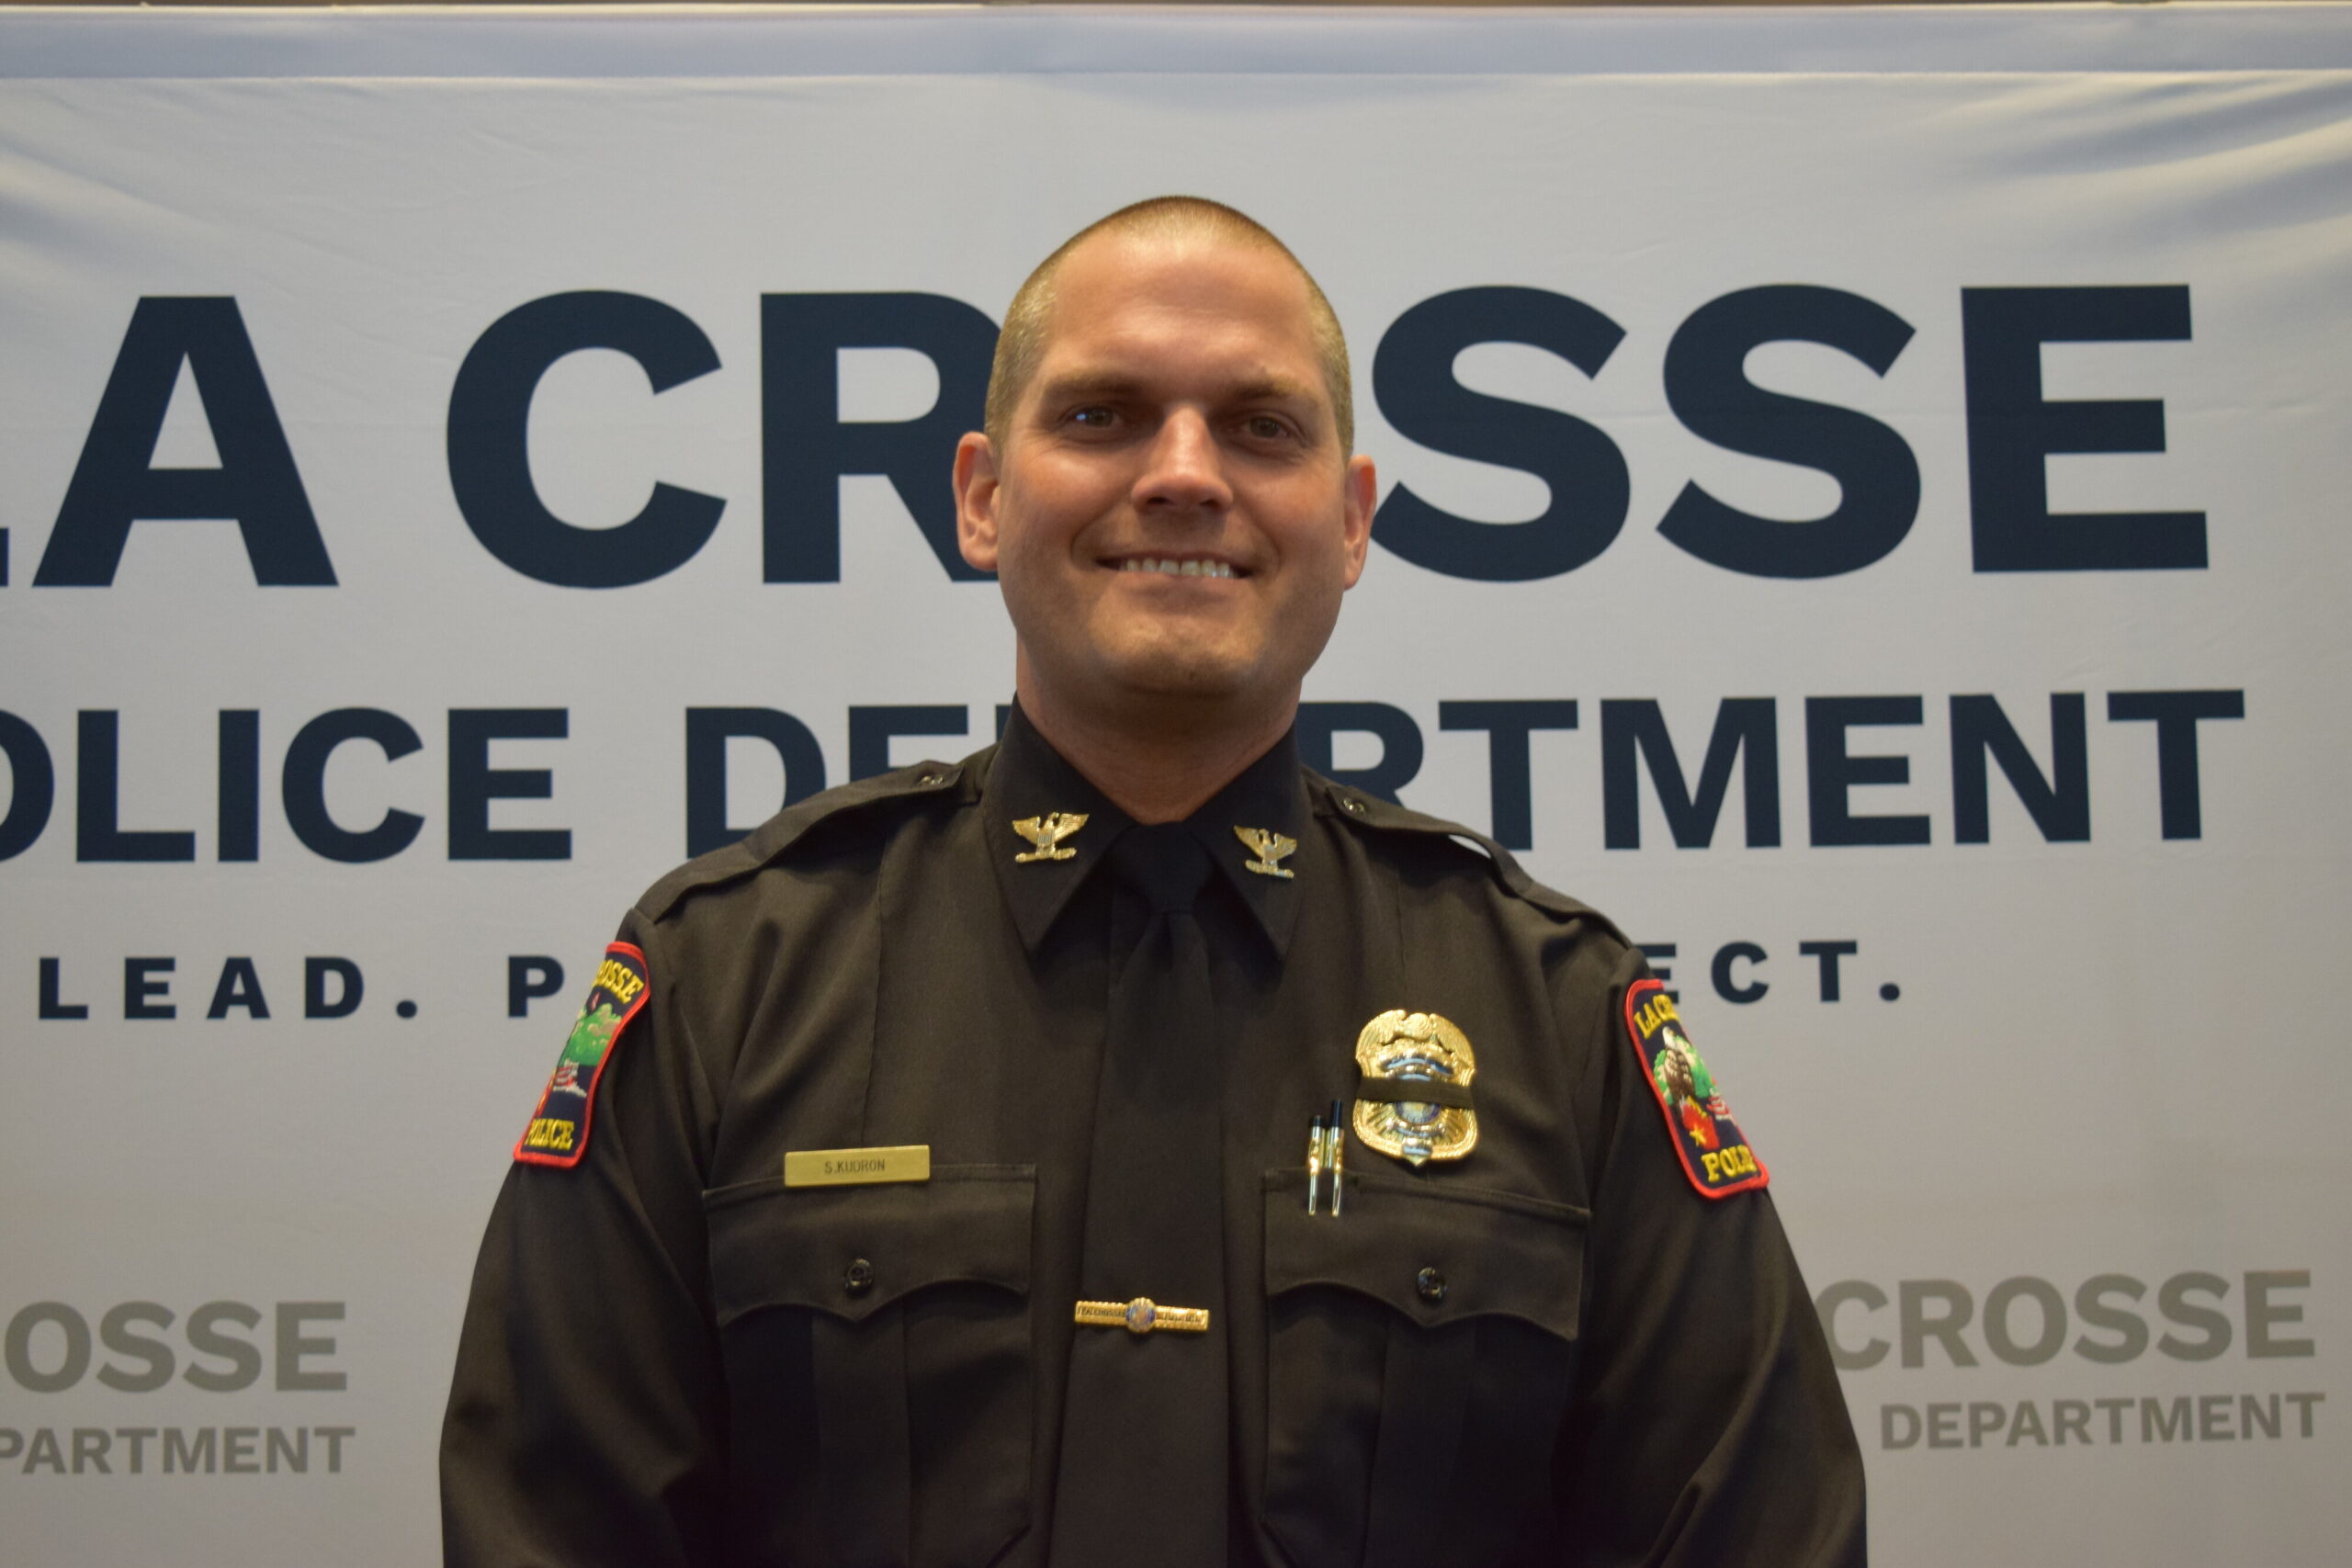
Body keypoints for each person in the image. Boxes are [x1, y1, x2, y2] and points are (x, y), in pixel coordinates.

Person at [441, 196, 1866, 1566]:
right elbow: (551, 1528)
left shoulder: (1557, 1014)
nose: (1185, 472)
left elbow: (1753, 1532)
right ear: (984, 499)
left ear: (1353, 520)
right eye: (1101, 415)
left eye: (1260, 426)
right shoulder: (726, 979)